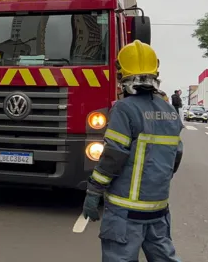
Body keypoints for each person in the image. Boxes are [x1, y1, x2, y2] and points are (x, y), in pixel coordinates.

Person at [82, 40, 183, 261]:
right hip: (158, 209)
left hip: (125, 212)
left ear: (122, 75)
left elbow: (113, 155)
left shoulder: (124, 109)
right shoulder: (170, 111)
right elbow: (175, 157)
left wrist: (94, 190)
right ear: (155, 71)